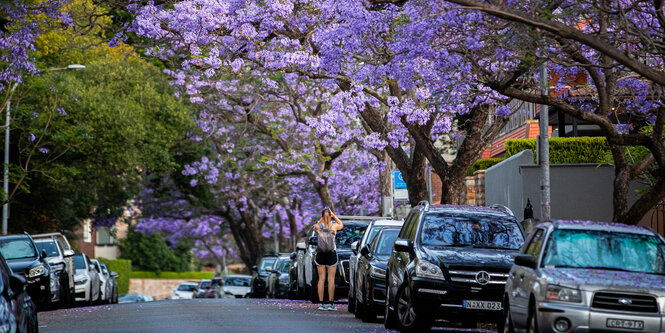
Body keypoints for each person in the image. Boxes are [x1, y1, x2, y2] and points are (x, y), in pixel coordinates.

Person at [313, 207, 344, 311]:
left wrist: (322, 219)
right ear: (331, 216)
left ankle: (321, 303)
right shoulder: (334, 226)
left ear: (322, 216)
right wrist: (334, 215)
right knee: (331, 279)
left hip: (320, 254)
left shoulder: (318, 227)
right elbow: (341, 225)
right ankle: (331, 303)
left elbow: (316, 226)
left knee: (321, 279)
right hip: (331, 254)